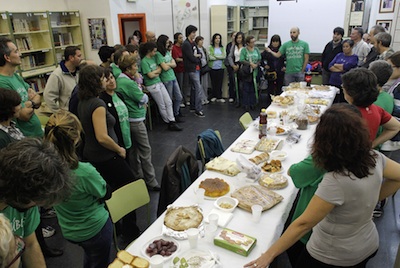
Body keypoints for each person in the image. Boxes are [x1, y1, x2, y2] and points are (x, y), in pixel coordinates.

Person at [244, 103, 400, 268]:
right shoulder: (374, 157)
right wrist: (371, 198)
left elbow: (303, 224)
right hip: (367, 243)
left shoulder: (335, 180)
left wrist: (268, 255)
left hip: (333, 254)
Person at [77, 65, 140, 241]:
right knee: (129, 188)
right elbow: (102, 137)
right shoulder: (98, 104)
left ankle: (117, 228)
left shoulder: (83, 101)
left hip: (93, 155)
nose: (107, 80)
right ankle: (131, 232)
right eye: (103, 78)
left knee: (109, 192)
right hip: (106, 155)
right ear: (95, 82)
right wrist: (119, 149)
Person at [45, 110, 113, 268]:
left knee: (91, 258)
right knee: (99, 261)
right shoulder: (83, 171)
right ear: (75, 139)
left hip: (68, 228)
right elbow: (105, 193)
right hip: (93, 228)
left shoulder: (46, 169)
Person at [0, 138, 73, 268]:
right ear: (20, 194)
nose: (42, 205)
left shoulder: (24, 204)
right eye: (38, 200)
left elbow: (30, 244)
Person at [116, 54, 161, 191]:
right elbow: (142, 99)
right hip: (135, 120)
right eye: (135, 66)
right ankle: (151, 181)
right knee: (145, 150)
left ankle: (137, 176)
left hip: (127, 120)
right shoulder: (129, 83)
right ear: (129, 68)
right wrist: (140, 88)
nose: (137, 68)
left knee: (134, 151)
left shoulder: (120, 79)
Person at [341, 68, 400, 148]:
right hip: (367, 154)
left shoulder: (345, 115)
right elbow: (396, 126)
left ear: (350, 93)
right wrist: (373, 144)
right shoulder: (377, 109)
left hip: (348, 157)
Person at [0, 37, 42, 137]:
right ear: (7, 57)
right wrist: (33, 102)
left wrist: (28, 104)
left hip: (37, 133)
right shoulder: (2, 83)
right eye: (16, 52)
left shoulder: (16, 76)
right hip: (25, 138)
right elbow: (23, 115)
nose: (20, 54)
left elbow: (38, 98)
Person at [139, 42, 183, 130]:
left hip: (159, 82)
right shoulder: (144, 61)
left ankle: (172, 120)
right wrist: (156, 72)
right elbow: (150, 75)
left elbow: (159, 69)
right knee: (162, 104)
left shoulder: (154, 58)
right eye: (154, 51)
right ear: (149, 51)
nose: (155, 53)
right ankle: (168, 122)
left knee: (168, 101)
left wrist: (154, 72)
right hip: (152, 85)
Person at [99, 68, 132, 152]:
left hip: (126, 135)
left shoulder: (119, 95)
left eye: (112, 77)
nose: (111, 81)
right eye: (107, 80)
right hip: (116, 139)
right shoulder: (102, 100)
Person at [44, 46, 82, 113]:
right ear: (71, 58)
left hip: (82, 112)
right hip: (69, 114)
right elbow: (48, 97)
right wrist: (59, 113)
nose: (81, 58)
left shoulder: (81, 71)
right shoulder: (57, 75)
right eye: (79, 56)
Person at [156, 34, 184, 119]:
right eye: (167, 42)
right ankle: (171, 117)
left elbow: (174, 64)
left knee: (179, 97)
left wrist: (167, 64)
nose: (168, 44)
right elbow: (164, 68)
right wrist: (169, 64)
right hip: (166, 79)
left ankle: (176, 113)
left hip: (173, 77)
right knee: (169, 100)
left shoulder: (167, 52)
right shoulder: (158, 54)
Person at [182, 25, 205, 117]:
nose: (194, 34)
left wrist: (197, 57)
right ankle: (198, 109)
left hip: (196, 68)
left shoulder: (193, 43)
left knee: (194, 88)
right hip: (191, 68)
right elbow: (191, 57)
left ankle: (193, 106)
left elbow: (199, 53)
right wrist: (197, 58)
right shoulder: (186, 44)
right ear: (189, 33)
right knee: (198, 88)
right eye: (193, 33)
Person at [240, 35, 261, 111]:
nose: (253, 44)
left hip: (255, 71)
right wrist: (250, 64)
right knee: (246, 88)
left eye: (254, 42)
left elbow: (259, 58)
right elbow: (241, 60)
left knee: (253, 88)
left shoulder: (256, 49)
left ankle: (253, 103)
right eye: (252, 42)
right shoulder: (244, 50)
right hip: (247, 72)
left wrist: (256, 64)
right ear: (248, 43)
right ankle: (246, 104)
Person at [228, 31, 246, 107]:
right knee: (236, 85)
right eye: (237, 38)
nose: (238, 39)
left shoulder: (245, 47)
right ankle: (237, 100)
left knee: (243, 85)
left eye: (240, 38)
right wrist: (233, 65)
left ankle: (243, 101)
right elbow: (230, 56)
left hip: (243, 66)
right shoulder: (234, 46)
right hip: (235, 66)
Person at [208, 33, 226, 103]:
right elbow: (210, 57)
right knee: (213, 82)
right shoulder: (210, 47)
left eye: (219, 38)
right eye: (216, 38)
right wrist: (219, 57)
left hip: (220, 67)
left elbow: (224, 56)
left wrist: (215, 56)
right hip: (212, 67)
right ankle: (214, 96)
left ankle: (219, 96)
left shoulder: (222, 47)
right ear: (213, 39)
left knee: (220, 82)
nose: (217, 40)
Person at [171, 32, 188, 107]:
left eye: (182, 37)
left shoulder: (183, 47)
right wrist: (185, 59)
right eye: (180, 38)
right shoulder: (174, 48)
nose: (182, 39)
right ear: (176, 39)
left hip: (185, 68)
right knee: (180, 85)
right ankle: (180, 100)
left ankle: (185, 99)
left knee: (185, 85)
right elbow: (176, 59)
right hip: (178, 69)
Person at [195, 35, 210, 104]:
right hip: (199, 68)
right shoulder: (196, 49)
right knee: (199, 84)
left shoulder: (203, 49)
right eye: (200, 40)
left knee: (205, 84)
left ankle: (205, 97)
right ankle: (201, 98)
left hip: (205, 67)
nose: (202, 42)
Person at [225, 31, 237, 103]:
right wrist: (232, 65)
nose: (235, 37)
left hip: (238, 65)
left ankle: (237, 96)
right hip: (230, 65)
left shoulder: (239, 45)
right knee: (231, 80)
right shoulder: (229, 45)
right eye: (234, 36)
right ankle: (231, 96)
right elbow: (228, 56)